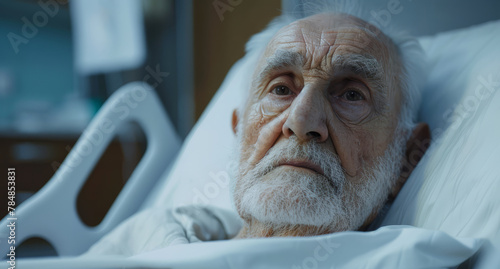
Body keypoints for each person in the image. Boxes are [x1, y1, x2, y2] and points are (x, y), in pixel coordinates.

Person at [86, 5, 430, 256]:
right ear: (239, 133)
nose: (301, 122)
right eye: (281, 89)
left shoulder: (410, 265)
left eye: (352, 95)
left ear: (406, 158)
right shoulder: (147, 236)